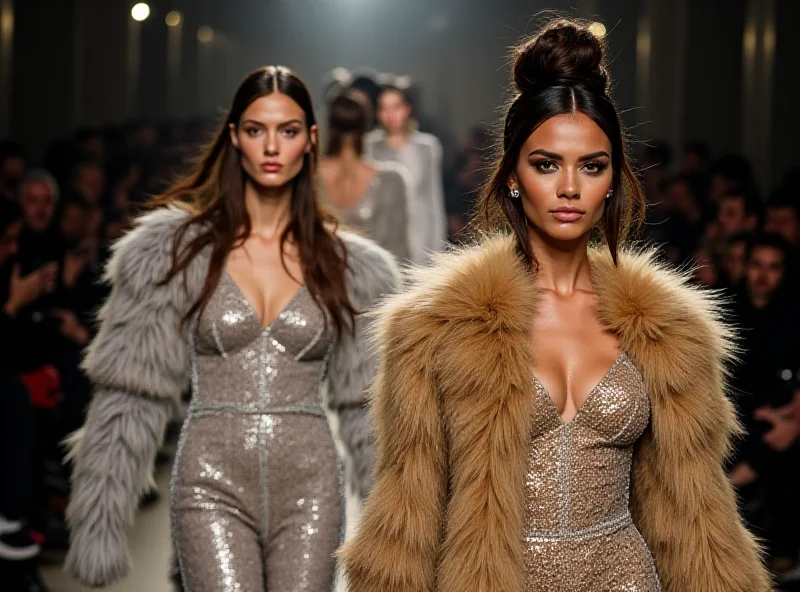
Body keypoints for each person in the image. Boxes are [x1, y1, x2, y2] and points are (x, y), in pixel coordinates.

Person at [340, 20, 769, 592]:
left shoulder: (671, 330)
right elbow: (405, 518)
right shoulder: (433, 328)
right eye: (546, 164)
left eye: (592, 166)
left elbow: (698, 511)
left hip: (627, 577)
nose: (570, 187)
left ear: (613, 180)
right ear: (513, 176)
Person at [64, 65, 400, 590]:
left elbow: (369, 408)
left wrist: (397, 534)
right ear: (234, 138)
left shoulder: (352, 267)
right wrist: (99, 520)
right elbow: (132, 390)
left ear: (310, 140)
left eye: (287, 131)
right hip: (208, 483)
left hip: (311, 486)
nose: (271, 146)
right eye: (255, 129)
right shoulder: (174, 252)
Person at [319, 89, 411, 262]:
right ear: (366, 125)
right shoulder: (391, 182)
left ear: (330, 125)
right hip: (377, 287)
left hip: (317, 285)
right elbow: (400, 253)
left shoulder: (309, 180)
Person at [365, 81, 447, 263]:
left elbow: (433, 201)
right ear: (377, 112)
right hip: (380, 241)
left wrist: (437, 253)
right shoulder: (368, 146)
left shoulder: (427, 147)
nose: (390, 115)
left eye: (396, 107)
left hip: (419, 240)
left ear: (407, 108)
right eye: (383, 108)